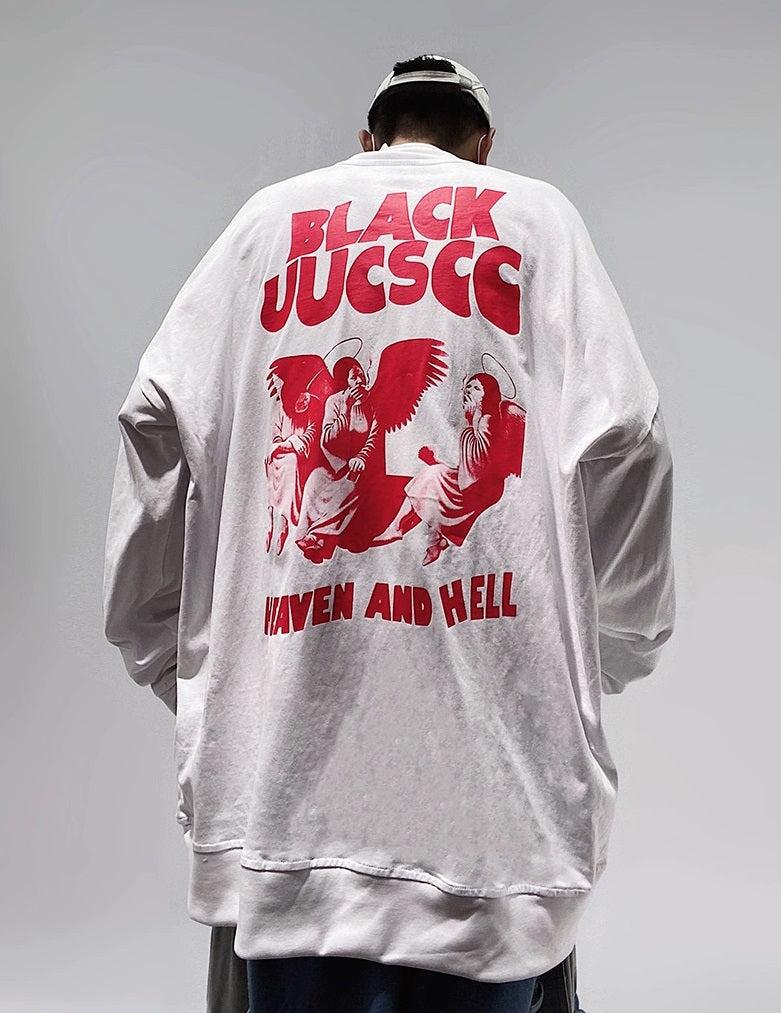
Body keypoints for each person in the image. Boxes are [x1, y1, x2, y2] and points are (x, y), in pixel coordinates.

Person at [103, 53, 675, 1013]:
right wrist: (606, 646)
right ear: (482, 147)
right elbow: (629, 440)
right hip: (490, 816)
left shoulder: (264, 225)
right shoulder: (534, 218)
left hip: (281, 798)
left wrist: (177, 657)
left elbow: (151, 422)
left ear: (368, 140)